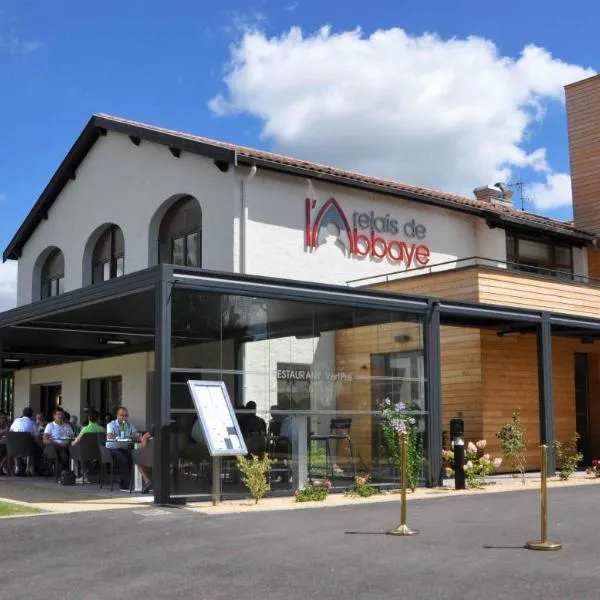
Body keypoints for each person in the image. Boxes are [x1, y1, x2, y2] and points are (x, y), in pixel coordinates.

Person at [106, 406, 140, 491]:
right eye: (122, 415)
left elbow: (136, 435)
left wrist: (126, 436)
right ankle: (125, 484)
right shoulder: (111, 424)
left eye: (126, 415)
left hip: (125, 448)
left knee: (134, 457)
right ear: (117, 415)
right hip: (113, 448)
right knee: (124, 460)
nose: (124, 417)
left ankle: (126, 483)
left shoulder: (129, 424)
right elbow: (110, 435)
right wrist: (123, 436)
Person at [43, 407, 74, 475]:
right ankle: (64, 472)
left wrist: (70, 440)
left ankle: (73, 472)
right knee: (63, 452)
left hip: (68, 445)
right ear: (54, 416)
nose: (61, 416)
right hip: (55, 446)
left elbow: (72, 437)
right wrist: (56, 444)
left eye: (62, 414)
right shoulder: (50, 425)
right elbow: (45, 440)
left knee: (75, 449)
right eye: (58, 414)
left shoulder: (67, 425)